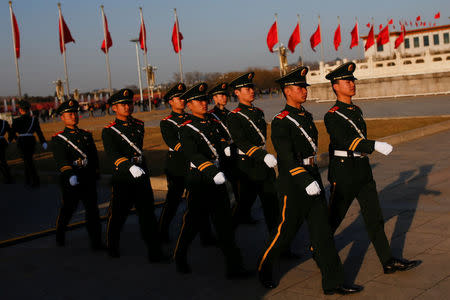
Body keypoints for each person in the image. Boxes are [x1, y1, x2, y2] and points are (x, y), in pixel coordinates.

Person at [257, 66, 363, 295]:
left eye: (305, 87)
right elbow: (285, 156)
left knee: (322, 232)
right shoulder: (281, 121)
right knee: (284, 233)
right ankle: (264, 267)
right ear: (287, 91)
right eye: (299, 87)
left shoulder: (305, 116)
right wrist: (305, 180)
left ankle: (333, 282)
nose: (304, 91)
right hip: (294, 183)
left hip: (312, 177)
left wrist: (311, 177)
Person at [324, 62, 421, 274]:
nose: (351, 84)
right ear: (335, 86)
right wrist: (373, 145)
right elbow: (345, 140)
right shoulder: (332, 115)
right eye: (347, 81)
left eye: (352, 81)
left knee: (374, 217)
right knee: (334, 218)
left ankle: (387, 261)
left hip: (362, 169)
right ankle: (319, 248)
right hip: (344, 171)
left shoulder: (355, 109)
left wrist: (368, 147)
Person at [173, 82, 248, 279]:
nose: (204, 104)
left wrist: (227, 151)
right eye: (198, 101)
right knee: (192, 223)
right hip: (200, 180)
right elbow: (192, 154)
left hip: (218, 177)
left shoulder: (213, 123)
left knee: (224, 223)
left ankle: (235, 267)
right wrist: (210, 170)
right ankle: (180, 256)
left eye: (205, 100)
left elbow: (223, 141)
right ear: (189, 105)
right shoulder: (186, 128)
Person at [102, 89, 168, 262]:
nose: (127, 107)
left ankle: (155, 251)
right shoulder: (109, 131)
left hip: (141, 176)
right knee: (118, 215)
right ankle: (112, 245)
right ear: (114, 108)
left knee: (147, 215)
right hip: (124, 178)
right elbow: (113, 154)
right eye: (123, 104)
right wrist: (128, 166)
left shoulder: (139, 125)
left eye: (129, 103)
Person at [158, 83, 216, 245]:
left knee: (200, 202)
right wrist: (194, 151)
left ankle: (206, 235)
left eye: (184, 97)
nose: (182, 101)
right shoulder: (167, 122)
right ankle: (162, 231)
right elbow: (175, 144)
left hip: (195, 166)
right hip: (178, 166)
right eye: (178, 98)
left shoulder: (193, 118)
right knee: (173, 202)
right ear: (171, 101)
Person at [226, 72, 279, 231]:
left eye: (251, 88)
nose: (251, 91)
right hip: (247, 166)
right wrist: (263, 155)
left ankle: (278, 245)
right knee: (243, 205)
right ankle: (227, 236)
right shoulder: (234, 116)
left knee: (272, 205)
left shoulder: (259, 112)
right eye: (246, 89)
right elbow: (241, 142)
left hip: (263, 164)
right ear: (237, 92)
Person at [51, 99, 103, 250]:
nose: (73, 116)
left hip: (87, 178)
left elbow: (93, 157)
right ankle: (60, 234)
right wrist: (69, 174)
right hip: (71, 179)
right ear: (62, 117)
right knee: (68, 209)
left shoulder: (86, 135)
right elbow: (60, 159)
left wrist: (96, 172)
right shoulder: (59, 138)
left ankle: (96, 242)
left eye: (75, 113)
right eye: (69, 114)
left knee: (92, 211)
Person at [207, 82, 240, 206]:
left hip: (234, 151)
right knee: (226, 186)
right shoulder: (210, 115)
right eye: (220, 95)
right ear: (214, 98)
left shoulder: (230, 114)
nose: (224, 98)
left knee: (237, 183)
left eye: (225, 95)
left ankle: (240, 213)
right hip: (221, 153)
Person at [11, 100, 48, 187]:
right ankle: (27, 179)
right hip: (31, 141)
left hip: (22, 141)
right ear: (28, 109)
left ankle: (35, 180)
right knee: (28, 160)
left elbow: (12, 133)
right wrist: (43, 142)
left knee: (28, 161)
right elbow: (39, 132)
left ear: (20, 110)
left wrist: (14, 139)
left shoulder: (16, 120)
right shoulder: (33, 120)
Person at [0, 118, 13, 183]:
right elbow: (10, 132)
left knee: (2, 161)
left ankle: (7, 176)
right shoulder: (4, 122)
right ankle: (8, 176)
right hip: (2, 142)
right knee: (3, 160)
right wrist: (9, 141)